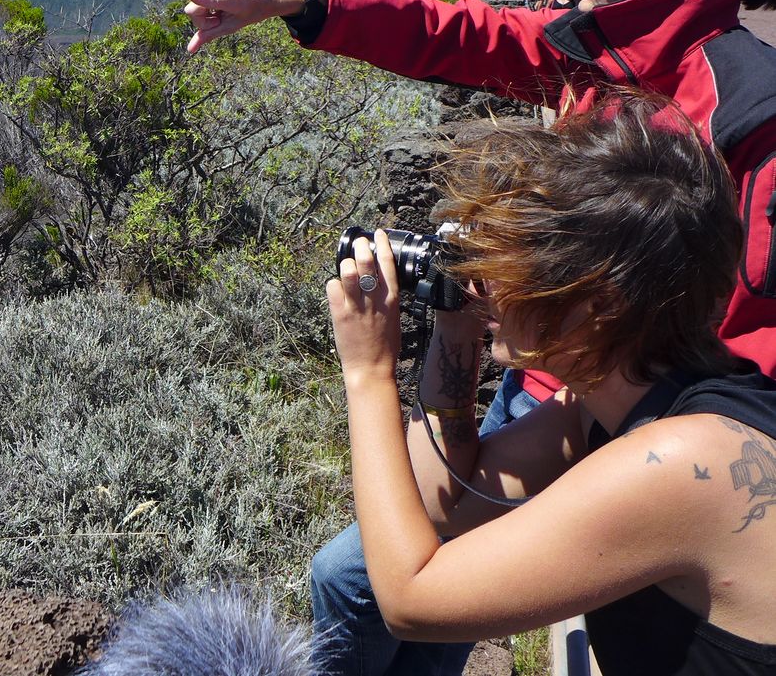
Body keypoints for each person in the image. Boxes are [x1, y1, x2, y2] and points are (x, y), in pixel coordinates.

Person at [183, 0, 776, 675]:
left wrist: (639, 450)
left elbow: (755, 337)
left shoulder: (748, 114)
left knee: (362, 582)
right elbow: (458, 32)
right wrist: (298, 0)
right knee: (411, 575)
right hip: (561, 396)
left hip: (643, 436)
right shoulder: (598, 47)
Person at [331, 96, 776, 675]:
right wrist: (456, 319)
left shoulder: (682, 461)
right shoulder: (607, 400)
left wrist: (368, 375)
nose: (490, 277)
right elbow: (446, 507)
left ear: (600, 305)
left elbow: (411, 601)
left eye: (518, 263)